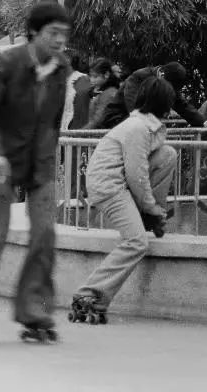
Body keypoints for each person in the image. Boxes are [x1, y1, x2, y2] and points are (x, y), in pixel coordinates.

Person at [0, 1, 71, 345]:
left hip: (39, 165)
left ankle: (35, 313)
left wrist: (49, 165)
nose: (59, 41)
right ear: (33, 33)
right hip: (0, 161)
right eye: (53, 33)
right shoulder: (6, 62)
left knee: (44, 236)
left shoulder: (61, 67)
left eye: (64, 35)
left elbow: (51, 121)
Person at [70, 76, 177, 325]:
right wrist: (152, 207)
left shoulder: (142, 125)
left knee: (168, 154)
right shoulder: (139, 129)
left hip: (118, 182)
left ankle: (148, 217)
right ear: (163, 104)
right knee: (136, 242)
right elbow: (136, 175)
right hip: (108, 185)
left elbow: (144, 169)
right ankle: (89, 294)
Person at [100, 62, 207, 131]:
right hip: (116, 120)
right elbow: (132, 104)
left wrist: (206, 123)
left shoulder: (168, 84)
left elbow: (183, 106)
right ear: (162, 75)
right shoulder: (139, 76)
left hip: (138, 125)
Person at [83, 58, 121, 129]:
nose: (92, 80)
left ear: (106, 74)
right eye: (90, 76)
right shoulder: (104, 91)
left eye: (95, 76)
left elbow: (97, 121)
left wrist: (79, 133)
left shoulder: (109, 93)